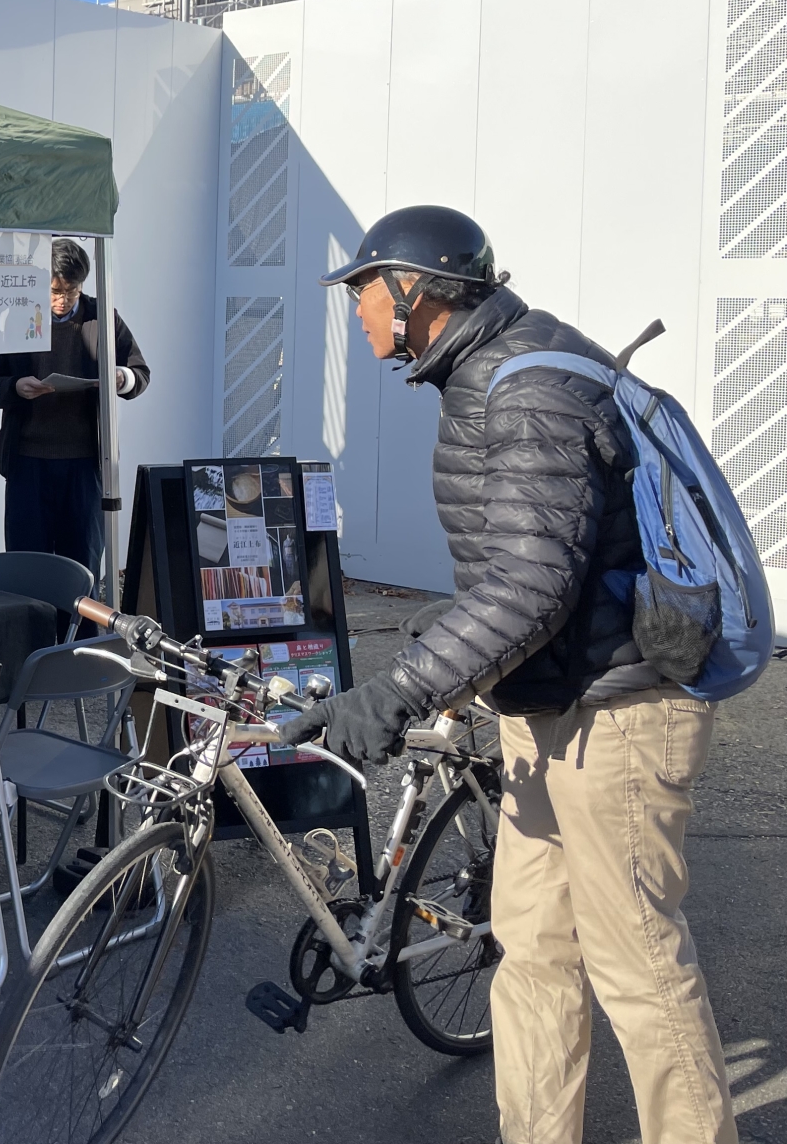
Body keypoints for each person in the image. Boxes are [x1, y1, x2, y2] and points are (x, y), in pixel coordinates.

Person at [280, 205, 736, 1144]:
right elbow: (530, 561)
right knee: (533, 952)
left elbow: (533, 585)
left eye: (364, 291)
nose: (358, 311)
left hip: (618, 714)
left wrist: (401, 689)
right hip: (554, 703)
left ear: (414, 290)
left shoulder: (525, 388)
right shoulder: (489, 371)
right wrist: (450, 632)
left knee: (637, 967)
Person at [0, 239, 150, 575]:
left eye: (72, 291)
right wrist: (15, 387)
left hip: (85, 464)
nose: (62, 299)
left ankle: (81, 614)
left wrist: (121, 377)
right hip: (27, 462)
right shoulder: (17, 316)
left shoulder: (102, 317)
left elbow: (140, 373)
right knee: (27, 565)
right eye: (54, 291)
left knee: (81, 564)